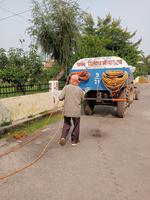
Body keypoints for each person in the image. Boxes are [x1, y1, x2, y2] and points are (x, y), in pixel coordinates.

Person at [59, 74, 84, 146]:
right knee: (76, 125)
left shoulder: (66, 88)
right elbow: (82, 101)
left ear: (72, 80)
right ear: (77, 81)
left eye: (70, 79)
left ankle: (63, 137)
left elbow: (60, 98)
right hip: (76, 112)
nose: (69, 80)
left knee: (66, 124)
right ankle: (74, 141)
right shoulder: (80, 90)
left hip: (67, 111)